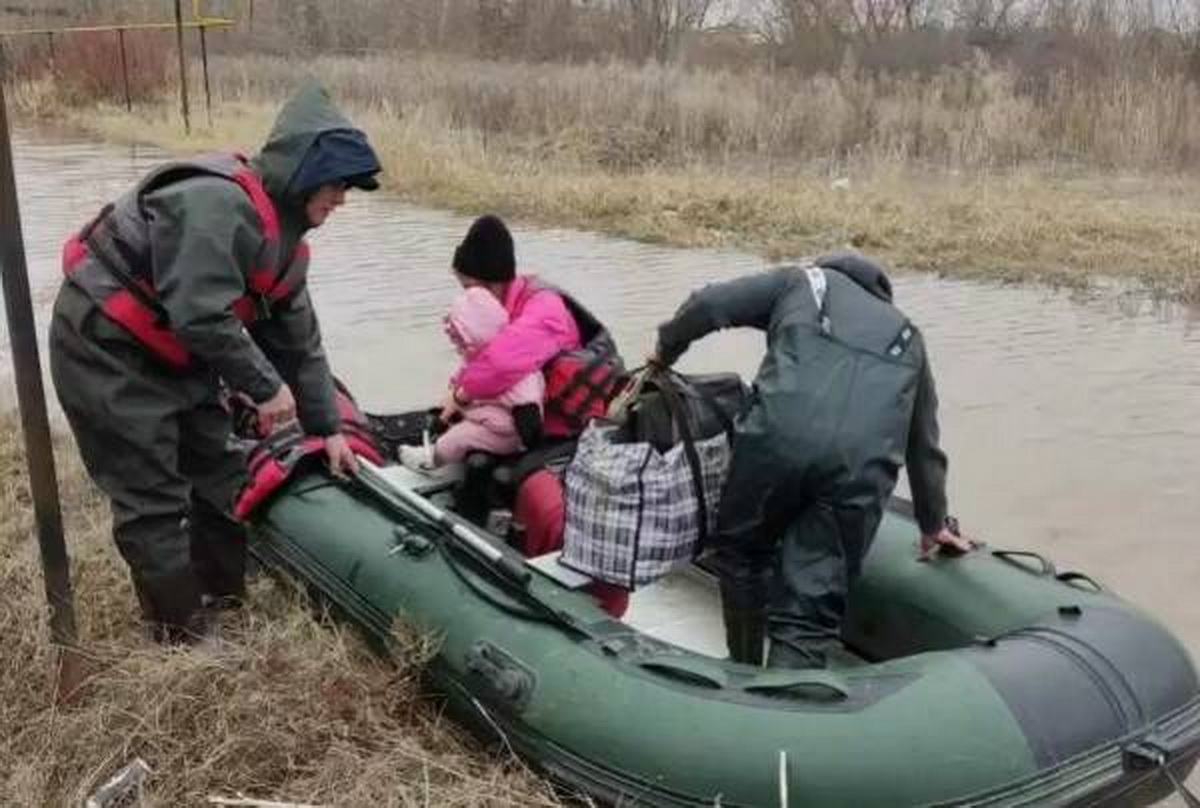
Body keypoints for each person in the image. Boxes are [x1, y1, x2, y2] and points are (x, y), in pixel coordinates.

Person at [49, 81, 381, 643]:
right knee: (153, 499)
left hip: (180, 360)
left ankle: (224, 604)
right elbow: (199, 314)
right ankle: (184, 640)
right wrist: (267, 388)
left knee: (222, 473)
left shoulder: (288, 247)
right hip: (108, 349)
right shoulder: (217, 202)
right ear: (303, 172)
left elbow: (302, 343)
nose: (343, 198)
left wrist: (328, 431)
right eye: (337, 184)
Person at [654, 252, 971, 669]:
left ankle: (744, 673)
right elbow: (922, 441)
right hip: (858, 476)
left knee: (743, 557)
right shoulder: (908, 337)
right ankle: (789, 709)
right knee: (808, 615)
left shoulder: (802, 282)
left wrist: (667, 349)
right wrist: (933, 524)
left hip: (775, 445)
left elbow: (708, 306)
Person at [441, 213, 630, 618]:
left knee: (519, 484)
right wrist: (454, 393)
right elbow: (483, 352)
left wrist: (459, 393)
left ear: (490, 283)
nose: (466, 300)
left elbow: (501, 363)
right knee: (470, 459)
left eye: (468, 289)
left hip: (564, 427)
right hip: (530, 417)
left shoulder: (543, 310)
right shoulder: (510, 298)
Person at [399, 287, 544, 469]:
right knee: (457, 424)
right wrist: (442, 414)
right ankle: (441, 435)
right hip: (483, 415)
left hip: (505, 434)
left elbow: (527, 407)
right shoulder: (476, 359)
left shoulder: (509, 369)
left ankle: (431, 459)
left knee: (459, 438)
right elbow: (459, 385)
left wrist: (530, 449)